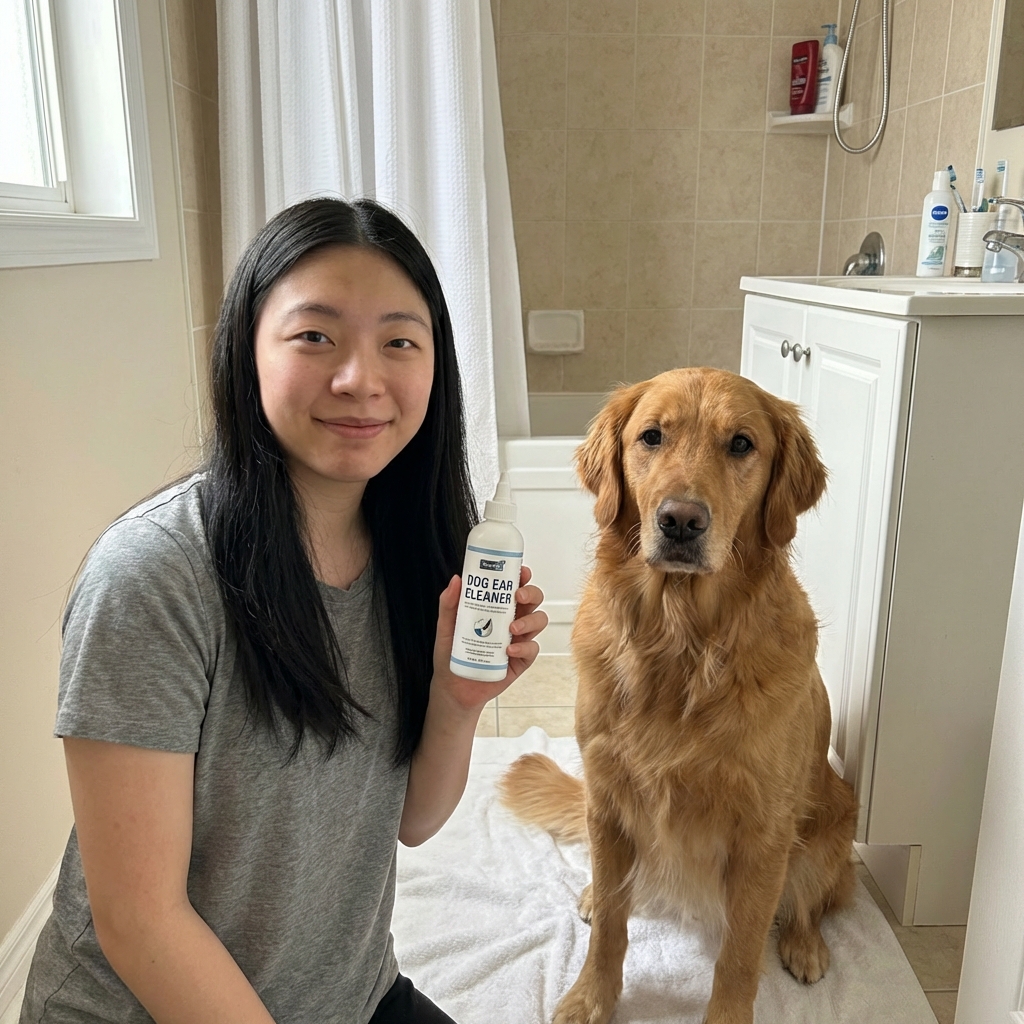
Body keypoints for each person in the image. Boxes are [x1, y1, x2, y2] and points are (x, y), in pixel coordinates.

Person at [19, 197, 547, 1024]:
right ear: (247, 351)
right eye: (315, 336)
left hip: (349, 997)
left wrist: (455, 704)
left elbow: (409, 825)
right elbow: (139, 921)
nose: (360, 379)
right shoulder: (153, 579)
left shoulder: (418, 551)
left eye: (399, 341)